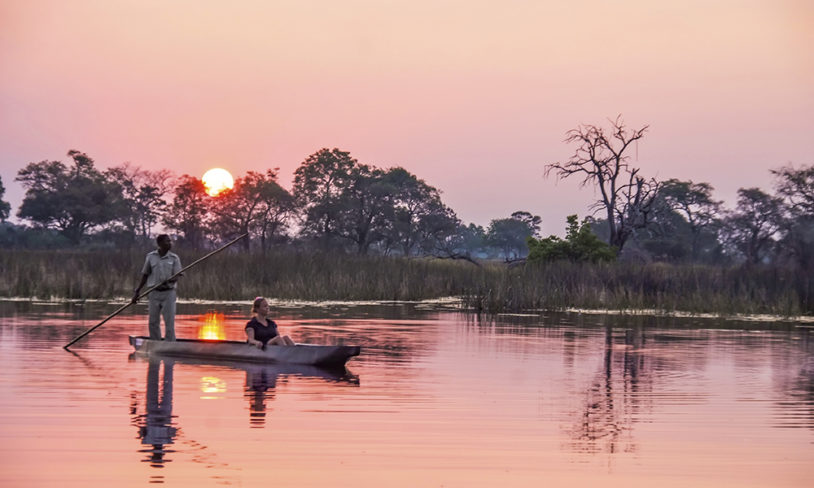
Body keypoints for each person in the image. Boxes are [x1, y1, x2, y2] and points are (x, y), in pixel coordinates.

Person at [132, 234, 183, 341]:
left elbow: (177, 275)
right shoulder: (150, 256)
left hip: (169, 293)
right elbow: (145, 274)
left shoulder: (174, 258)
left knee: (169, 322)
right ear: (159, 244)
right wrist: (138, 291)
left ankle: (170, 344)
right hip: (154, 292)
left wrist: (169, 280)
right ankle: (155, 343)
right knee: (153, 322)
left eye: (170, 241)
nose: (170, 244)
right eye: (167, 241)